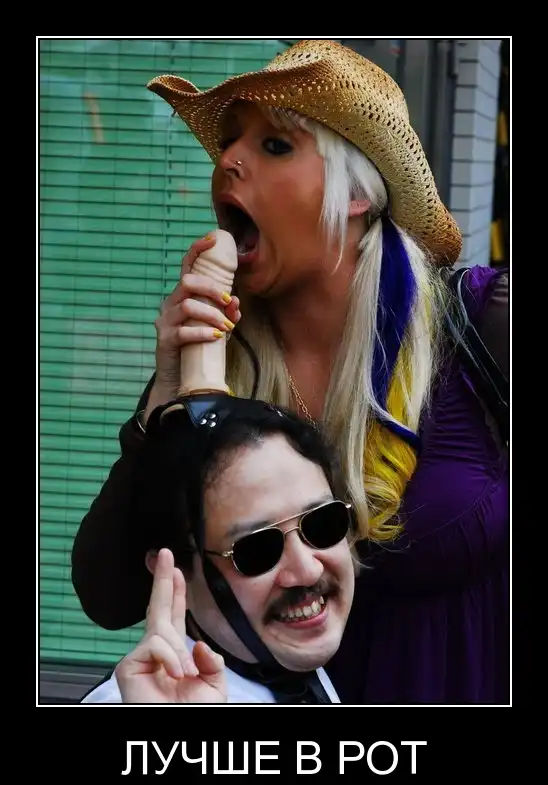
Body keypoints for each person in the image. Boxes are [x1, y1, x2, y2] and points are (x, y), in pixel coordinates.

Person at [71, 39, 509, 705]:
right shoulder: (213, 367)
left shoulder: (482, 324)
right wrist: (164, 398)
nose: (227, 161)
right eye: (229, 143)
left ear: (356, 193)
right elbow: (109, 595)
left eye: (275, 145)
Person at [81, 396, 355, 703]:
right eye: (257, 549)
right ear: (174, 574)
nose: (308, 571)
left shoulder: (288, 665)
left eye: (322, 524)